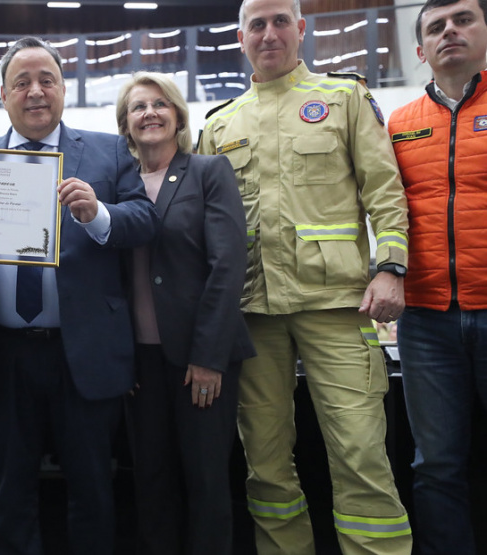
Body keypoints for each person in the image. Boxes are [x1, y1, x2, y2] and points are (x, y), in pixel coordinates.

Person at [197, 0, 413, 552]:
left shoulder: (344, 99)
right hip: (253, 316)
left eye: (280, 22)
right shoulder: (219, 124)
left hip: (337, 306)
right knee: (265, 465)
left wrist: (391, 267)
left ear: (300, 29)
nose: (269, 34)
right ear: (241, 38)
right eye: (257, 25)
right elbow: (202, 225)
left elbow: (384, 190)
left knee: (361, 455)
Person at [0, 36, 158, 555]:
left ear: (63, 89)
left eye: (46, 80)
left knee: (93, 488)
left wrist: (98, 213)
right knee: (9, 491)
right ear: (3, 95)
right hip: (2, 354)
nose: (35, 91)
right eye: (22, 82)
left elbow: (144, 219)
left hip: (84, 352)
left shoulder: (108, 150)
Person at [116, 72, 255, 555]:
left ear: (178, 116)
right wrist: (120, 357)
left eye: (160, 104)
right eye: (138, 107)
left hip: (201, 359)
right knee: (151, 480)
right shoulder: (117, 183)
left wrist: (209, 357)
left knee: (206, 480)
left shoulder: (208, 171)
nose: (149, 113)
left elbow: (228, 265)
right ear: (125, 124)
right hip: (140, 362)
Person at [387, 0, 487, 551]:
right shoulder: (399, 125)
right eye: (435, 27)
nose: (450, 31)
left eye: (463, 19)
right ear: (421, 51)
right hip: (425, 320)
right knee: (436, 464)